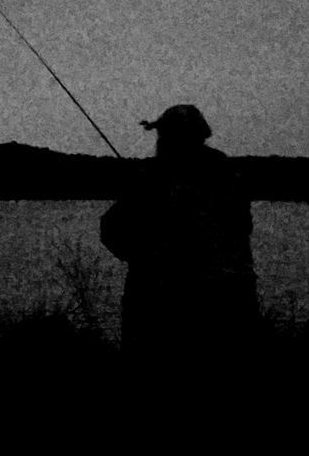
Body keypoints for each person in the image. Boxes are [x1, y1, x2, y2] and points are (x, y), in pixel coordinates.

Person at [100, 104, 260, 391]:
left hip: (167, 308)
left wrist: (144, 255)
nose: (161, 142)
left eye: (165, 135)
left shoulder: (154, 177)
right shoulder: (227, 173)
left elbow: (112, 229)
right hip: (230, 303)